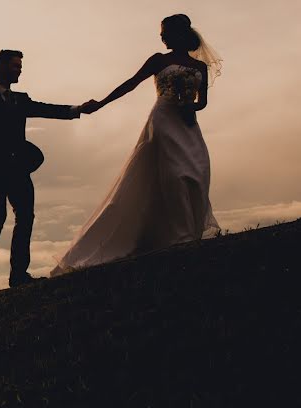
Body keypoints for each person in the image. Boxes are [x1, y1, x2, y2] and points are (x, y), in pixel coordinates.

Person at [51, 14, 222, 276]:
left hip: (188, 123)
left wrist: (192, 106)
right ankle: (182, 238)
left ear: (178, 32)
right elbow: (131, 84)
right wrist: (102, 103)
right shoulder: (158, 61)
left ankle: (188, 234)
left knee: (197, 174)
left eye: (164, 31)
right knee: (175, 175)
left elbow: (203, 101)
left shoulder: (199, 67)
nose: (161, 36)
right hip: (163, 121)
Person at [0, 49, 87, 295]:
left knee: (26, 217)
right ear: (0, 66)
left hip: (17, 170)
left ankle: (19, 275)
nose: (19, 70)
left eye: (20, 66)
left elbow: (47, 109)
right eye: (15, 66)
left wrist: (77, 109)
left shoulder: (21, 99)